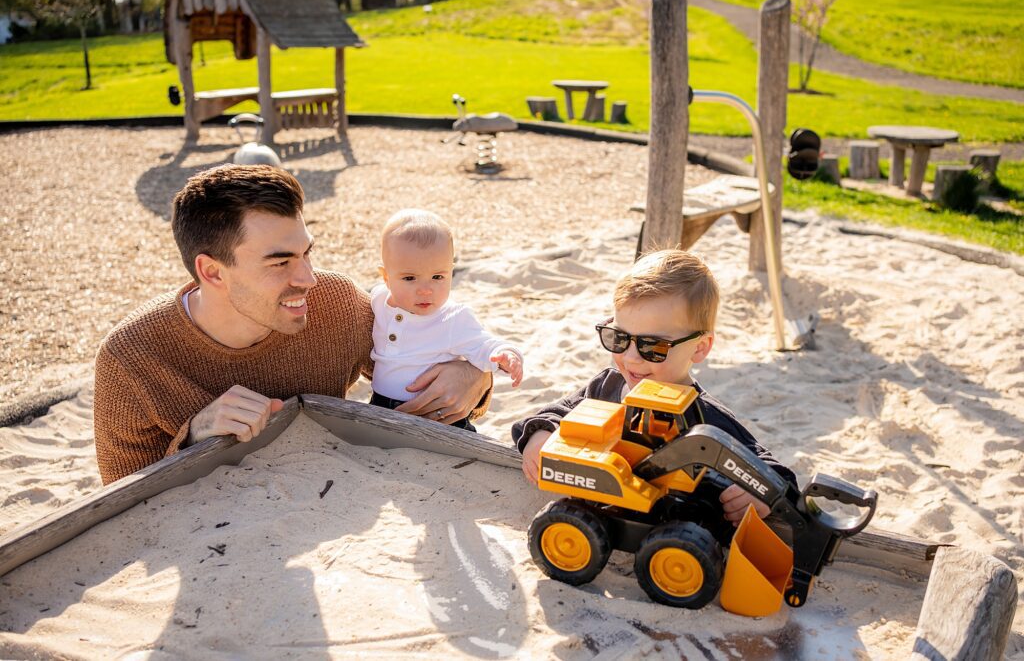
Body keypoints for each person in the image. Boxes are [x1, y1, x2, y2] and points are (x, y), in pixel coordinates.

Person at [93, 165, 491, 484]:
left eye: (306, 253)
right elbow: (121, 502)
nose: (308, 278)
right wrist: (194, 436)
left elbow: (417, 347)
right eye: (280, 262)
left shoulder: (335, 302)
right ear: (212, 272)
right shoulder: (130, 357)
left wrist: (474, 374)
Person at [511, 249, 795, 524]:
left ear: (699, 348)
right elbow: (555, 413)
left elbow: (775, 473)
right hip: (598, 521)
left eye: (653, 346)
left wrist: (762, 496)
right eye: (619, 338)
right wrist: (540, 435)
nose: (631, 358)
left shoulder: (705, 418)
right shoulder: (608, 386)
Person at [369, 209, 523, 431]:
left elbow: (483, 343)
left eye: (437, 277)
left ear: (451, 272)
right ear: (386, 277)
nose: (425, 290)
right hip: (380, 406)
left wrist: (507, 355)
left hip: (438, 415)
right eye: (409, 278)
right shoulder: (378, 299)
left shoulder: (453, 318)